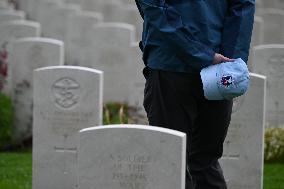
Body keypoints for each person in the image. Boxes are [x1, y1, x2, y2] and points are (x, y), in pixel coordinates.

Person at [135, 0, 255, 188]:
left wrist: (217, 60)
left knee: (177, 161)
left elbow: (155, 8)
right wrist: (226, 61)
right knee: (190, 162)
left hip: (174, 63)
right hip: (196, 66)